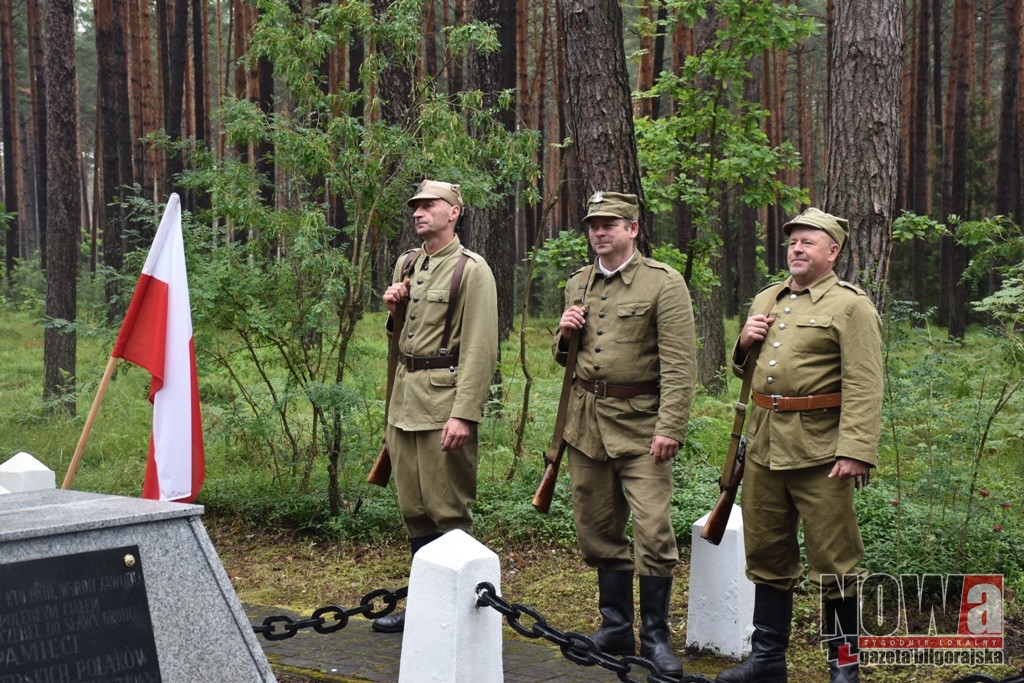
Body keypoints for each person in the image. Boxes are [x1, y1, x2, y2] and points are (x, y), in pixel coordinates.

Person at [715, 208, 883, 683]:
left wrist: (855, 449)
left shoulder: (851, 306)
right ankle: (768, 660)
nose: (797, 249)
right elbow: (750, 373)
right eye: (793, 242)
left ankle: (843, 667)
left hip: (822, 453)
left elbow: (866, 385)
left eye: (809, 242)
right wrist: (742, 346)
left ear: (833, 252)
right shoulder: (769, 296)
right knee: (767, 555)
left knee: (836, 560)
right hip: (766, 446)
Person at [553, 191, 696, 676]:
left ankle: (655, 635)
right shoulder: (578, 283)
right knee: (596, 530)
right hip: (586, 423)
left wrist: (671, 426)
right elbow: (566, 360)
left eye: (610, 223)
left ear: (632, 229)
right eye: (593, 224)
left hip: (641, 426)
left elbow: (680, 365)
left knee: (653, 532)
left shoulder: (663, 283)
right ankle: (615, 626)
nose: (600, 231)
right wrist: (565, 333)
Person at [372, 179, 498, 634]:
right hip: (404, 401)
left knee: (448, 509)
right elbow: (405, 337)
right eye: (416, 206)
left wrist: (464, 413)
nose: (418, 212)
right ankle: (425, 607)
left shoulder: (471, 270)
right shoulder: (408, 262)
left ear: (454, 212)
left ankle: (462, 612)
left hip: (444, 404)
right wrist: (394, 310)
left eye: (429, 205)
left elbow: (481, 349)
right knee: (414, 508)